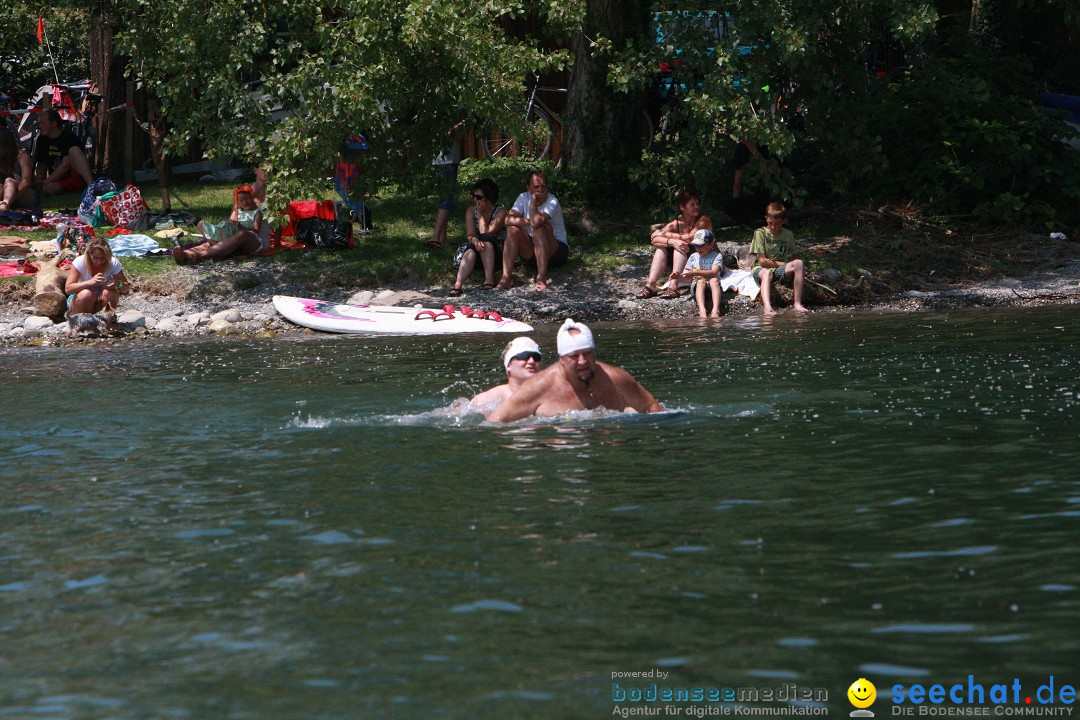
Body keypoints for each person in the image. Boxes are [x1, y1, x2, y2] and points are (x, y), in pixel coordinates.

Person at [487, 319, 663, 422]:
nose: (582, 361)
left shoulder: (616, 379)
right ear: (561, 359)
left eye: (587, 354)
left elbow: (652, 408)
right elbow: (494, 423)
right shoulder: (539, 386)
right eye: (574, 356)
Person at [497, 170, 568, 291]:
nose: (540, 189)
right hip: (533, 251)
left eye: (543, 186)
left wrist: (533, 205)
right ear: (529, 188)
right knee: (512, 231)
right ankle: (506, 278)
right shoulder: (523, 197)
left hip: (556, 251)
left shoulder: (552, 201)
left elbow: (536, 224)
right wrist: (528, 221)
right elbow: (508, 219)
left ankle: (541, 279)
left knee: (539, 229)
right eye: (536, 186)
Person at [637, 188, 712, 299]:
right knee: (661, 248)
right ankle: (650, 286)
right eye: (692, 204)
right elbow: (654, 238)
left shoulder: (704, 220)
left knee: (680, 246)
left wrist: (670, 238)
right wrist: (671, 241)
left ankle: (673, 287)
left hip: (704, 261)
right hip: (685, 261)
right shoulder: (676, 223)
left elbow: (690, 238)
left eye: (697, 203)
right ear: (682, 207)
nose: (696, 206)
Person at [172, 186, 270, 264]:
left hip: (254, 241)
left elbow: (256, 230)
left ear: (252, 198)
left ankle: (200, 256)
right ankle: (186, 254)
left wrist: (241, 227)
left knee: (241, 234)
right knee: (207, 236)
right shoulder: (238, 212)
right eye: (241, 200)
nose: (245, 202)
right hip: (235, 239)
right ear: (238, 203)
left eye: (247, 199)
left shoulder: (257, 212)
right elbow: (229, 224)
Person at [449, 178, 507, 296]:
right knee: (471, 249)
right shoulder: (471, 211)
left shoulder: (500, 212)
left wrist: (480, 213)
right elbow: (470, 235)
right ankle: (458, 284)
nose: (475, 199)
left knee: (485, 240)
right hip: (478, 248)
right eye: (473, 196)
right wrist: (475, 241)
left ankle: (489, 279)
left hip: (495, 251)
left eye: (479, 197)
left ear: (489, 198)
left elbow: (485, 232)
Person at [750, 202, 807, 316]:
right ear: (766, 218)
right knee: (767, 273)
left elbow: (795, 257)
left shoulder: (788, 234)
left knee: (799, 263)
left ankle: (797, 304)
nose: (773, 227)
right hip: (761, 269)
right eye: (770, 223)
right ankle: (768, 308)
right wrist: (785, 264)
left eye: (777, 224)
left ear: (784, 221)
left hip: (778, 268)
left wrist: (798, 269)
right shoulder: (760, 233)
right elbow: (762, 261)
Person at [32, 109, 94, 196]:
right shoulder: (41, 140)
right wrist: (39, 179)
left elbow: (65, 166)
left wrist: (46, 181)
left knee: (74, 150)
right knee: (47, 189)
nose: (39, 126)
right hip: (57, 180)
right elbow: (41, 164)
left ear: (53, 124)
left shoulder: (69, 137)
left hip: (74, 176)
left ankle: (91, 186)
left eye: (42, 122)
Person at [470, 336, 543, 410]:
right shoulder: (487, 400)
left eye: (536, 357)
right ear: (508, 365)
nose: (532, 361)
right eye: (524, 356)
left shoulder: (547, 395)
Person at [65, 237, 130, 314]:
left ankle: (107, 320)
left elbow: (125, 288)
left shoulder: (113, 263)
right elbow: (68, 289)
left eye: (103, 258)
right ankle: (83, 322)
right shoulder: (80, 262)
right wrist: (89, 282)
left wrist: (118, 284)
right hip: (81, 299)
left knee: (111, 293)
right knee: (86, 294)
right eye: (95, 258)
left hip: (99, 300)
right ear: (89, 255)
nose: (99, 262)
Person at [426, 122, 464, 249]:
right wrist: (460, 125)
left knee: (449, 198)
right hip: (445, 161)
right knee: (447, 199)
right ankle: (435, 236)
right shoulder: (442, 113)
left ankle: (443, 237)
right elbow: (447, 135)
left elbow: (458, 136)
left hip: (448, 160)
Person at [670, 229, 724, 318]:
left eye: (701, 245)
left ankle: (715, 310)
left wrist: (696, 272)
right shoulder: (693, 257)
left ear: (711, 244)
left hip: (713, 288)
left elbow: (714, 272)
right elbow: (688, 278)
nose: (698, 248)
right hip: (697, 288)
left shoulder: (717, 256)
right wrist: (679, 276)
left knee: (714, 280)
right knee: (700, 281)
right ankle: (702, 310)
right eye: (696, 245)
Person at [724, 138, 776, 226]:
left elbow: (772, 172)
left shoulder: (770, 144)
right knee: (729, 205)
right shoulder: (741, 150)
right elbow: (738, 180)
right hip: (753, 196)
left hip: (771, 194)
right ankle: (753, 221)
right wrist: (736, 203)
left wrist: (754, 151)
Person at [0, 127, 40, 212]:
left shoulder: (22, 155)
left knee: (9, 181)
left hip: (26, 193)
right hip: (8, 194)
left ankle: (5, 204)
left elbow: (26, 181)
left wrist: (12, 198)